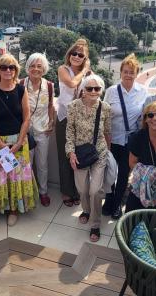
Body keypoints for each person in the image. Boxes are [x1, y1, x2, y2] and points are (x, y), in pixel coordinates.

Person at [0, 54, 38, 228]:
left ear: (16, 71)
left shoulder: (21, 90)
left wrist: (18, 142)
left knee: (16, 176)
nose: (8, 70)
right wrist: (0, 144)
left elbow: (26, 118)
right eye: (4, 67)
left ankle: (14, 210)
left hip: (19, 141)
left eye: (12, 67)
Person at [66, 74, 111, 243]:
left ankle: (95, 224)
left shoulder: (105, 108)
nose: (93, 91)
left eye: (97, 88)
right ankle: (85, 210)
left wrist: (108, 152)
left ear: (101, 90)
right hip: (79, 153)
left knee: (95, 190)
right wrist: (71, 153)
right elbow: (70, 132)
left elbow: (107, 132)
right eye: (89, 88)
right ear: (83, 90)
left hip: (98, 152)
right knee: (82, 189)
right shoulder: (73, 107)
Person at [102, 53, 147, 219]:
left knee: (123, 175)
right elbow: (104, 115)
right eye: (125, 71)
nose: (128, 75)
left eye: (132, 72)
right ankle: (108, 199)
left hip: (131, 141)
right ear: (120, 72)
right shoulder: (112, 91)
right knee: (110, 173)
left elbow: (144, 117)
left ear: (136, 73)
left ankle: (117, 204)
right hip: (111, 139)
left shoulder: (142, 92)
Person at [56, 39, 92, 207]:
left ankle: (77, 191)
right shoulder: (63, 69)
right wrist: (84, 70)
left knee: (78, 156)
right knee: (65, 157)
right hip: (64, 118)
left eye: (81, 55)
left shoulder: (89, 75)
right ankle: (66, 191)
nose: (77, 57)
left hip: (81, 120)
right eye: (74, 53)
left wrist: (87, 73)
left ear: (85, 58)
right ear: (69, 55)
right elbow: (71, 83)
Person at [22, 53, 55, 207]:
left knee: (42, 164)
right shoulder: (21, 84)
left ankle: (43, 191)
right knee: (26, 164)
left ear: (44, 69)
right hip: (25, 132)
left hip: (43, 130)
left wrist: (52, 122)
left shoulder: (49, 85)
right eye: (33, 65)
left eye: (39, 66)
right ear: (28, 67)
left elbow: (50, 105)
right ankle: (27, 193)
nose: (36, 69)